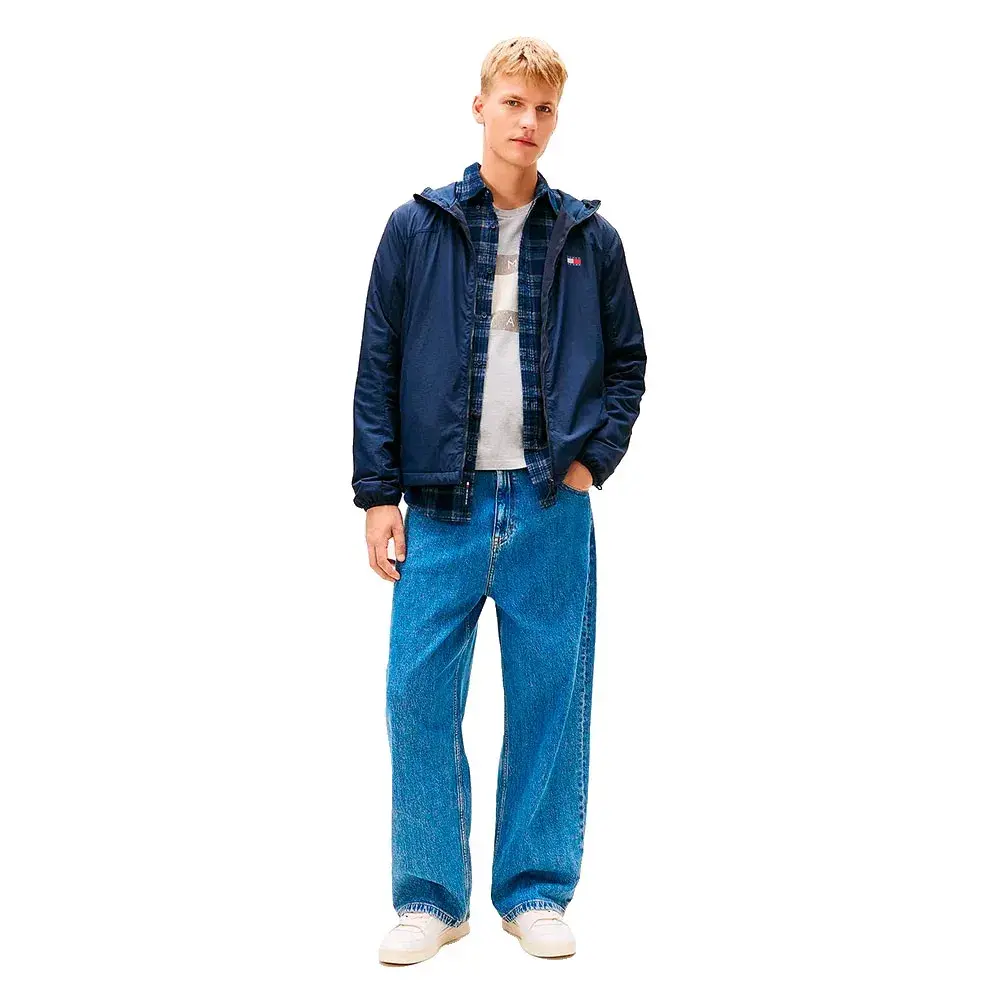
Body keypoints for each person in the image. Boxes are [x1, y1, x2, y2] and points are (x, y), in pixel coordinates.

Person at [352, 36, 647, 965]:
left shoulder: (590, 240)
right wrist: (377, 494)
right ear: (479, 106)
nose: (529, 122)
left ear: (556, 119)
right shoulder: (417, 229)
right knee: (415, 695)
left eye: (544, 109)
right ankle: (431, 898)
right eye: (513, 102)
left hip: (550, 505)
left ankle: (535, 890)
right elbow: (378, 363)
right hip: (440, 504)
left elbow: (630, 365)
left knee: (551, 699)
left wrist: (588, 465)